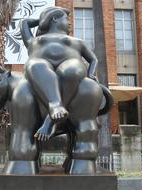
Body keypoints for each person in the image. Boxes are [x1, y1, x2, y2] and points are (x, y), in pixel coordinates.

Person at [21, 7, 98, 140]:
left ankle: (49, 121)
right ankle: (55, 106)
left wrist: (91, 74)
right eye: (66, 18)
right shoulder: (34, 41)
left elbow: (93, 59)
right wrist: (44, 19)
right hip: (41, 67)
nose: (69, 23)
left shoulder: (77, 41)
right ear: (55, 19)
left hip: (72, 65)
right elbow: (24, 23)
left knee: (71, 71)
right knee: (36, 65)